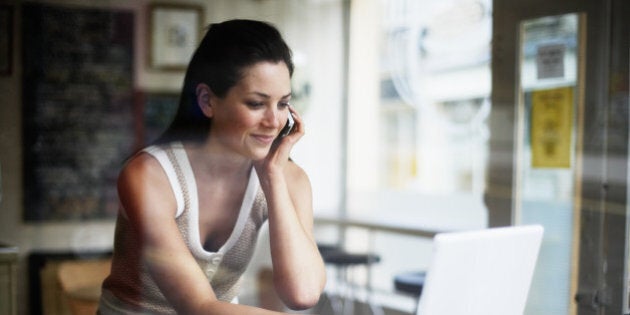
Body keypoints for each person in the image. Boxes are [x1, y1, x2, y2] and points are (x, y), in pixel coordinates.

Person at [98, 19, 326, 314]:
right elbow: (198, 307)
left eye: (283, 104)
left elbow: (302, 294)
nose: (274, 121)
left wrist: (272, 178)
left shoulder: (289, 179)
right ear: (207, 101)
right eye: (256, 104)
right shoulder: (149, 176)